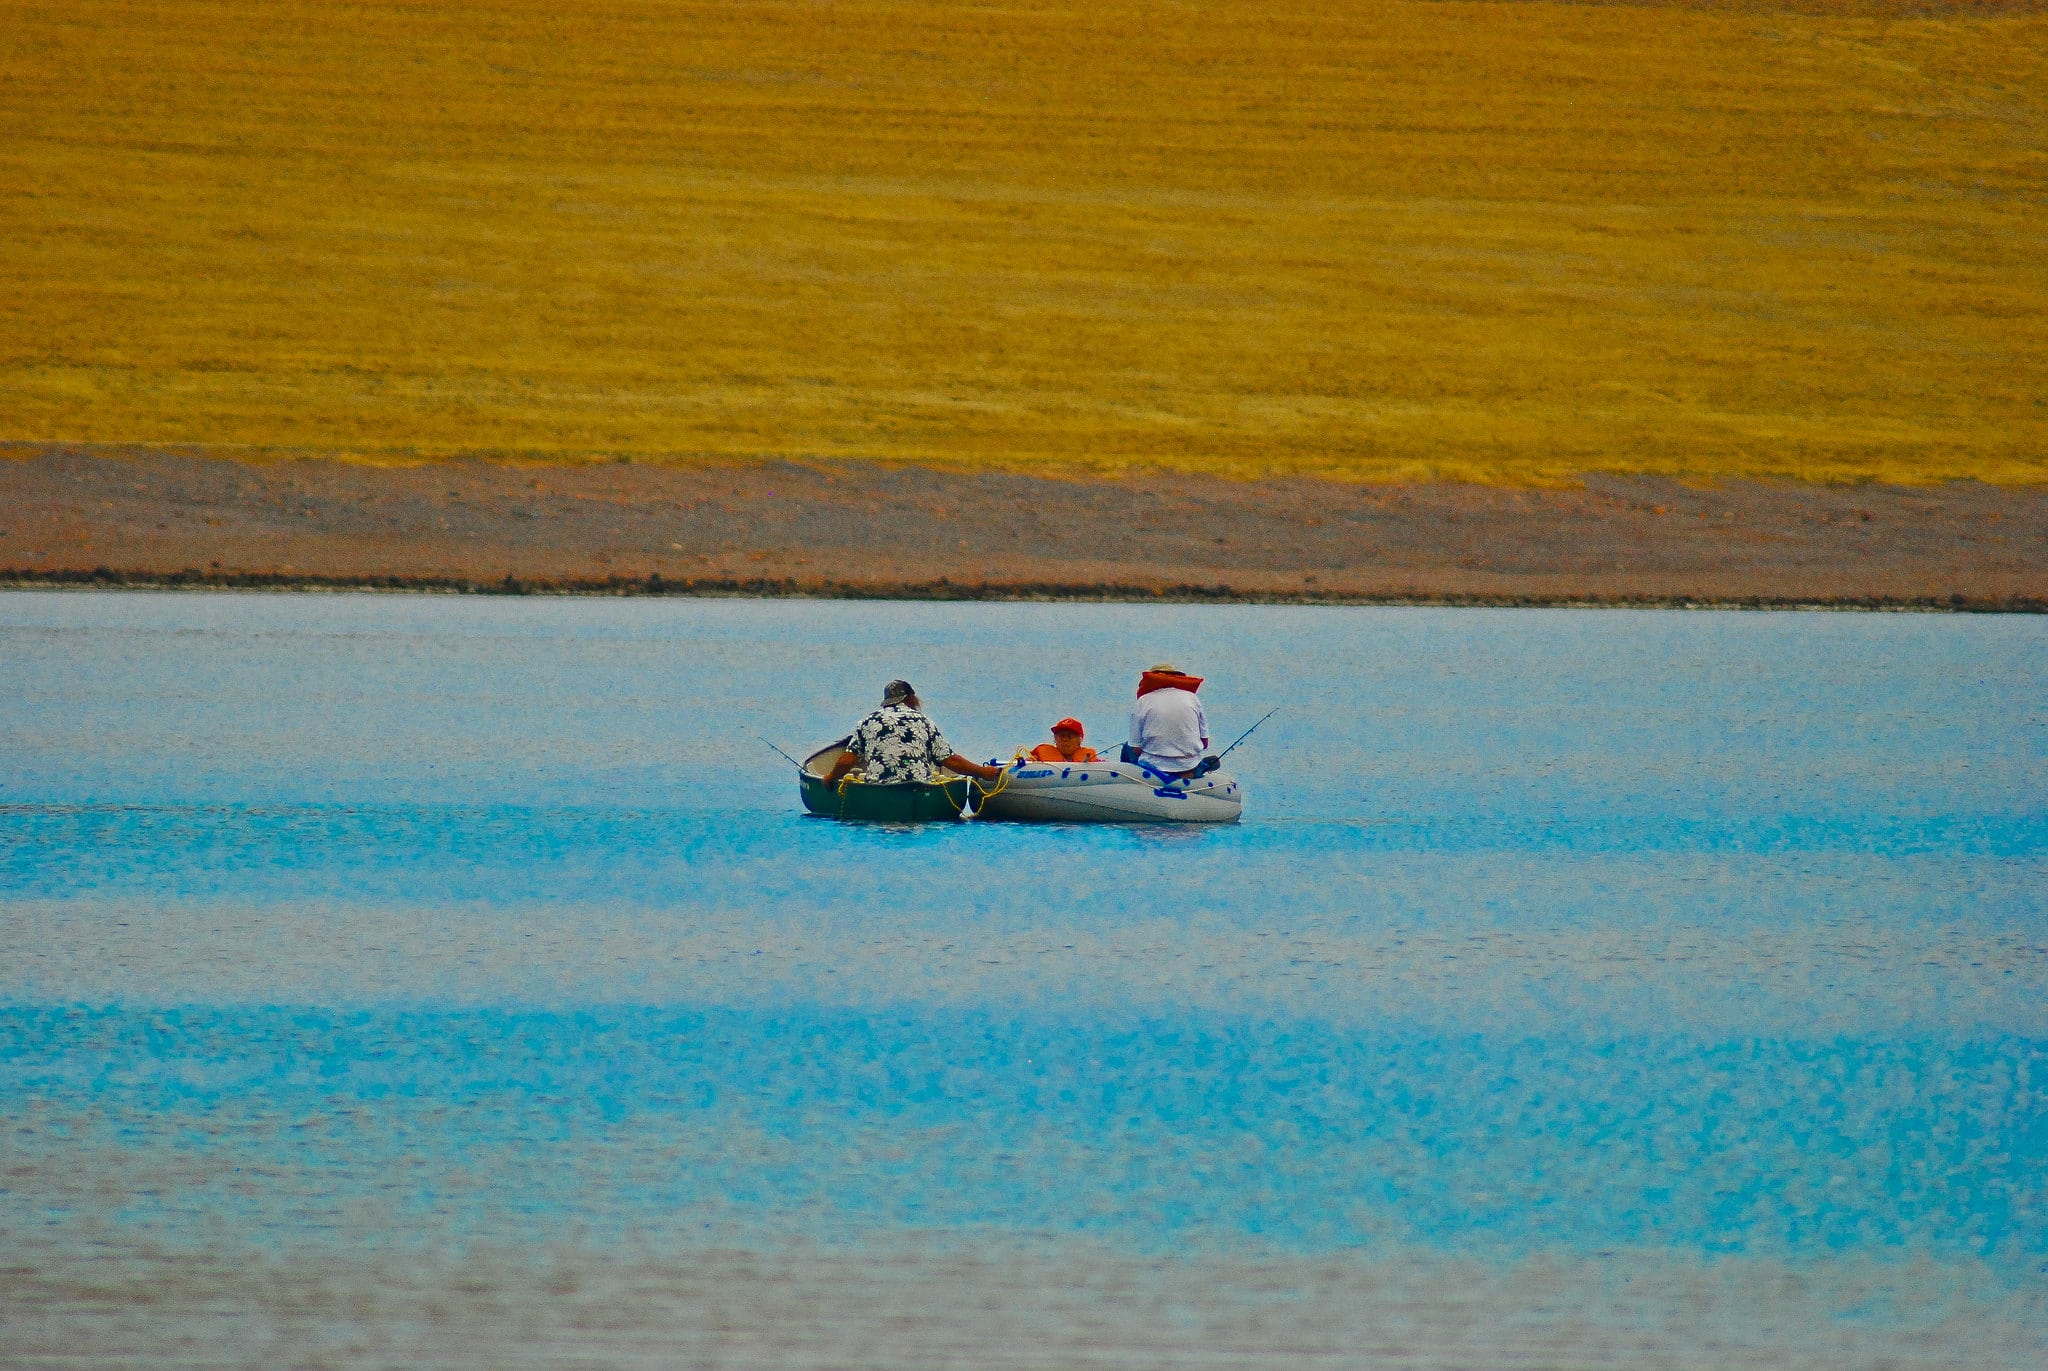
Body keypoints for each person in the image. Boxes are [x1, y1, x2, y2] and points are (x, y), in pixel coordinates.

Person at [824, 679, 1003, 786]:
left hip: (879, 788)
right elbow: (949, 760)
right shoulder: (923, 721)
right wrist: (983, 772)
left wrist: (830, 778)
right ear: (910, 698)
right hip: (919, 787)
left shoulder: (868, 721)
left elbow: (848, 759)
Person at [1126, 663, 1210, 778]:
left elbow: (1135, 748)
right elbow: (1204, 742)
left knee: (1126, 748)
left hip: (1153, 766)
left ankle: (1132, 783)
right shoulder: (1192, 698)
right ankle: (1195, 773)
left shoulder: (1144, 700)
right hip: (1189, 766)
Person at [1028, 717, 1099, 764]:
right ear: (1055, 739)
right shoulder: (1036, 760)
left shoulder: (1093, 761)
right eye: (1061, 736)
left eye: (1070, 736)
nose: (1065, 740)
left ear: (1079, 740)